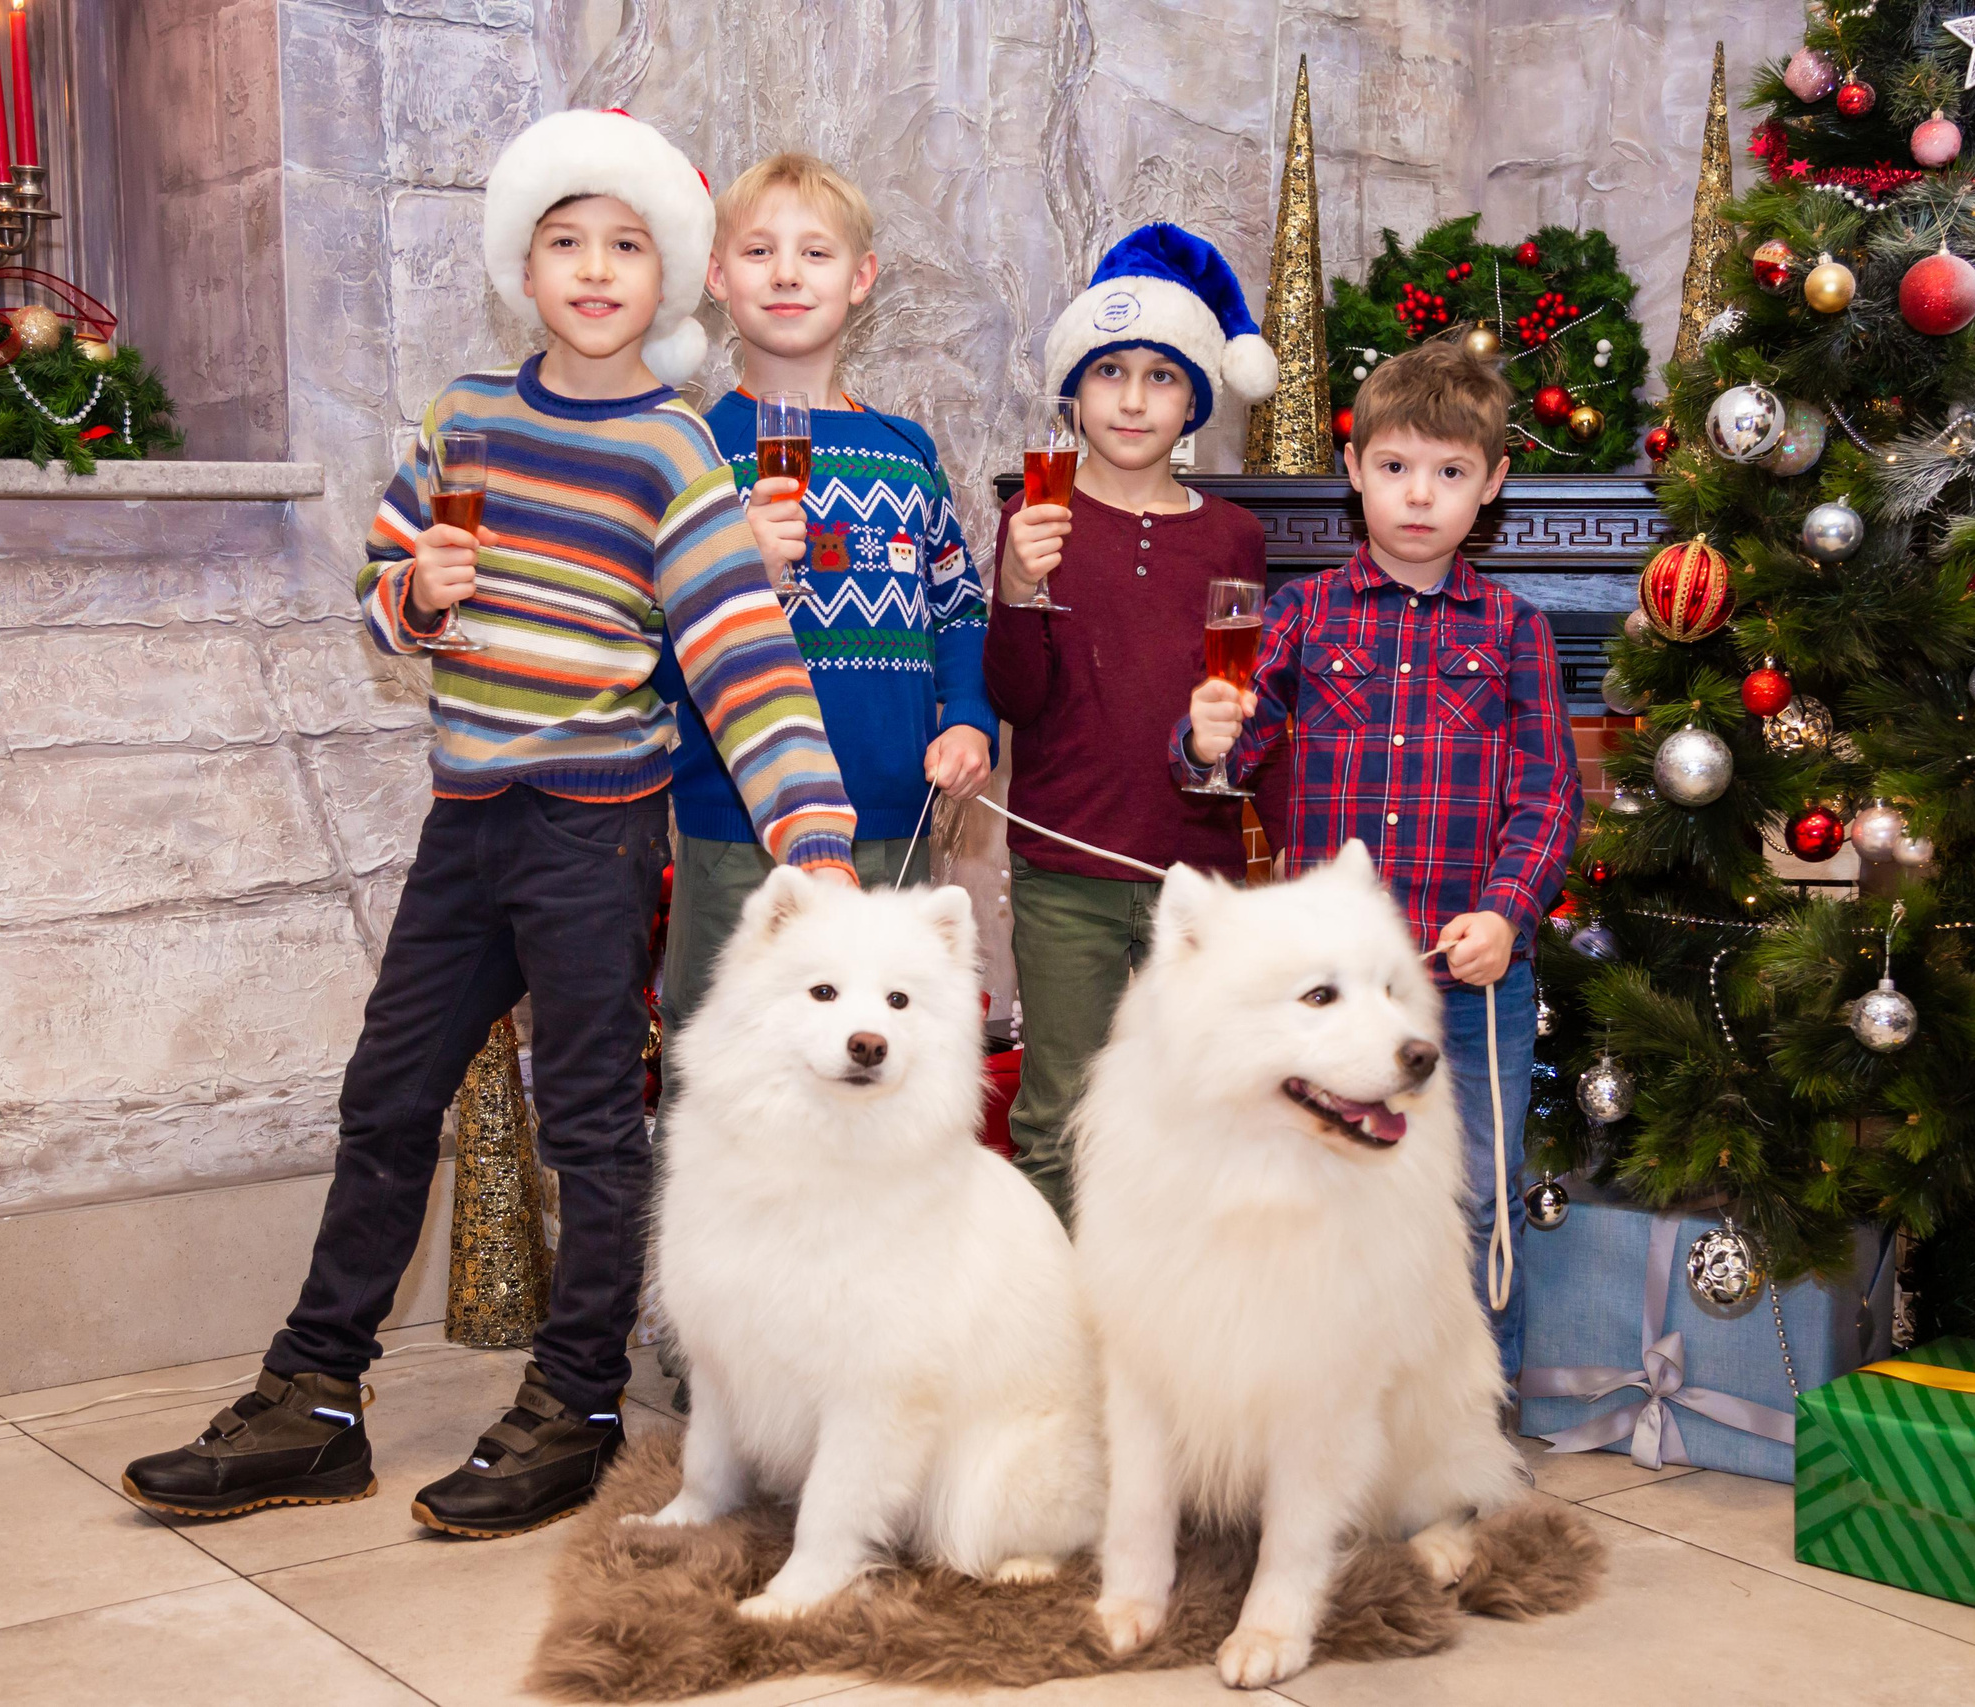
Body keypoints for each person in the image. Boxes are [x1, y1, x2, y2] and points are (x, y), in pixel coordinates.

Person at [122, 110, 860, 1539]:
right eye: (568, 241)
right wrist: (422, 592)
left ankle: (578, 1396)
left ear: (671, 278)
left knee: (590, 1117)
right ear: (524, 264)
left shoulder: (672, 453)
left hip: (594, 828)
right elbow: (382, 605)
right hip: (469, 823)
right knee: (386, 1096)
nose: (595, 268)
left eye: (628, 245)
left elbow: (744, 656)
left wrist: (811, 830)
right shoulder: (466, 419)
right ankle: (317, 1395)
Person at [1176, 336, 1582, 1384]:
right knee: (1335, 1193)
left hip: (1471, 978)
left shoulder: (1516, 630)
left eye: (1449, 474)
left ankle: (1472, 1432)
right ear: (1354, 469)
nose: (1418, 496)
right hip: (1341, 990)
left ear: (1490, 486)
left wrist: (1506, 913)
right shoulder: (1304, 615)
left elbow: (1548, 793)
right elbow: (1228, 757)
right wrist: (1204, 739)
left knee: (1477, 1190)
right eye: (1396, 468)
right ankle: (1332, 1412)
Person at [983, 224, 1280, 1222]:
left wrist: (1253, 841)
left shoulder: (1234, 536)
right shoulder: (1037, 515)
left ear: (1195, 399)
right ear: (1074, 390)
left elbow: (1244, 719)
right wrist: (1018, 588)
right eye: (1110, 371)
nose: (1134, 397)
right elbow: (1016, 698)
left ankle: (1168, 1337)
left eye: (1161, 375)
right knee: (1060, 1112)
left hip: (1195, 877)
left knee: (1192, 1111)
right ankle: (1045, 1343)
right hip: (1065, 867)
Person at [662, 152, 992, 1038]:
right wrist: (733, 579)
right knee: (728, 1055)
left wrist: (966, 715)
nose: (786, 274)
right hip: (738, 820)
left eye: (815, 253)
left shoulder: (906, 448)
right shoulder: (685, 450)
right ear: (716, 277)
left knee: (890, 1054)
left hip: (897, 810)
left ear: (861, 280)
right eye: (760, 251)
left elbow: (958, 604)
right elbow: (643, 645)